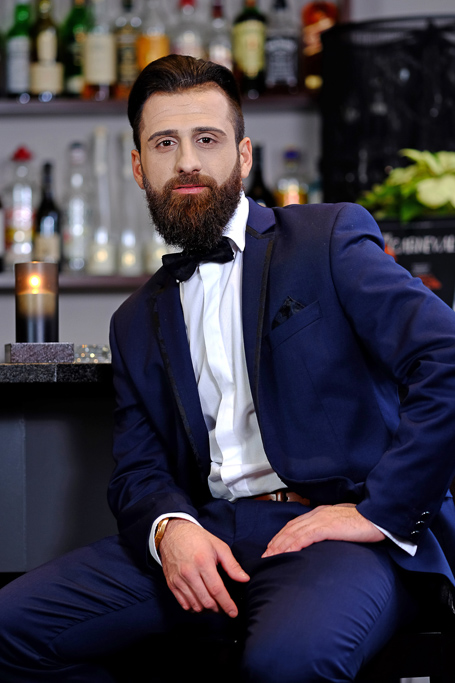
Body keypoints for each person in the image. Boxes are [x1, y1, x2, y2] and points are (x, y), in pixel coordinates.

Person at [1, 54, 455, 683]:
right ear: (139, 167)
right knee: (10, 628)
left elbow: (445, 356)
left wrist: (377, 512)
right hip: (208, 535)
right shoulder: (134, 319)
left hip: (332, 534)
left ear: (243, 157)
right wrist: (170, 529)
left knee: (287, 664)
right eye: (165, 143)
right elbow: (138, 469)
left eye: (207, 139)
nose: (187, 161)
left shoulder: (326, 239)